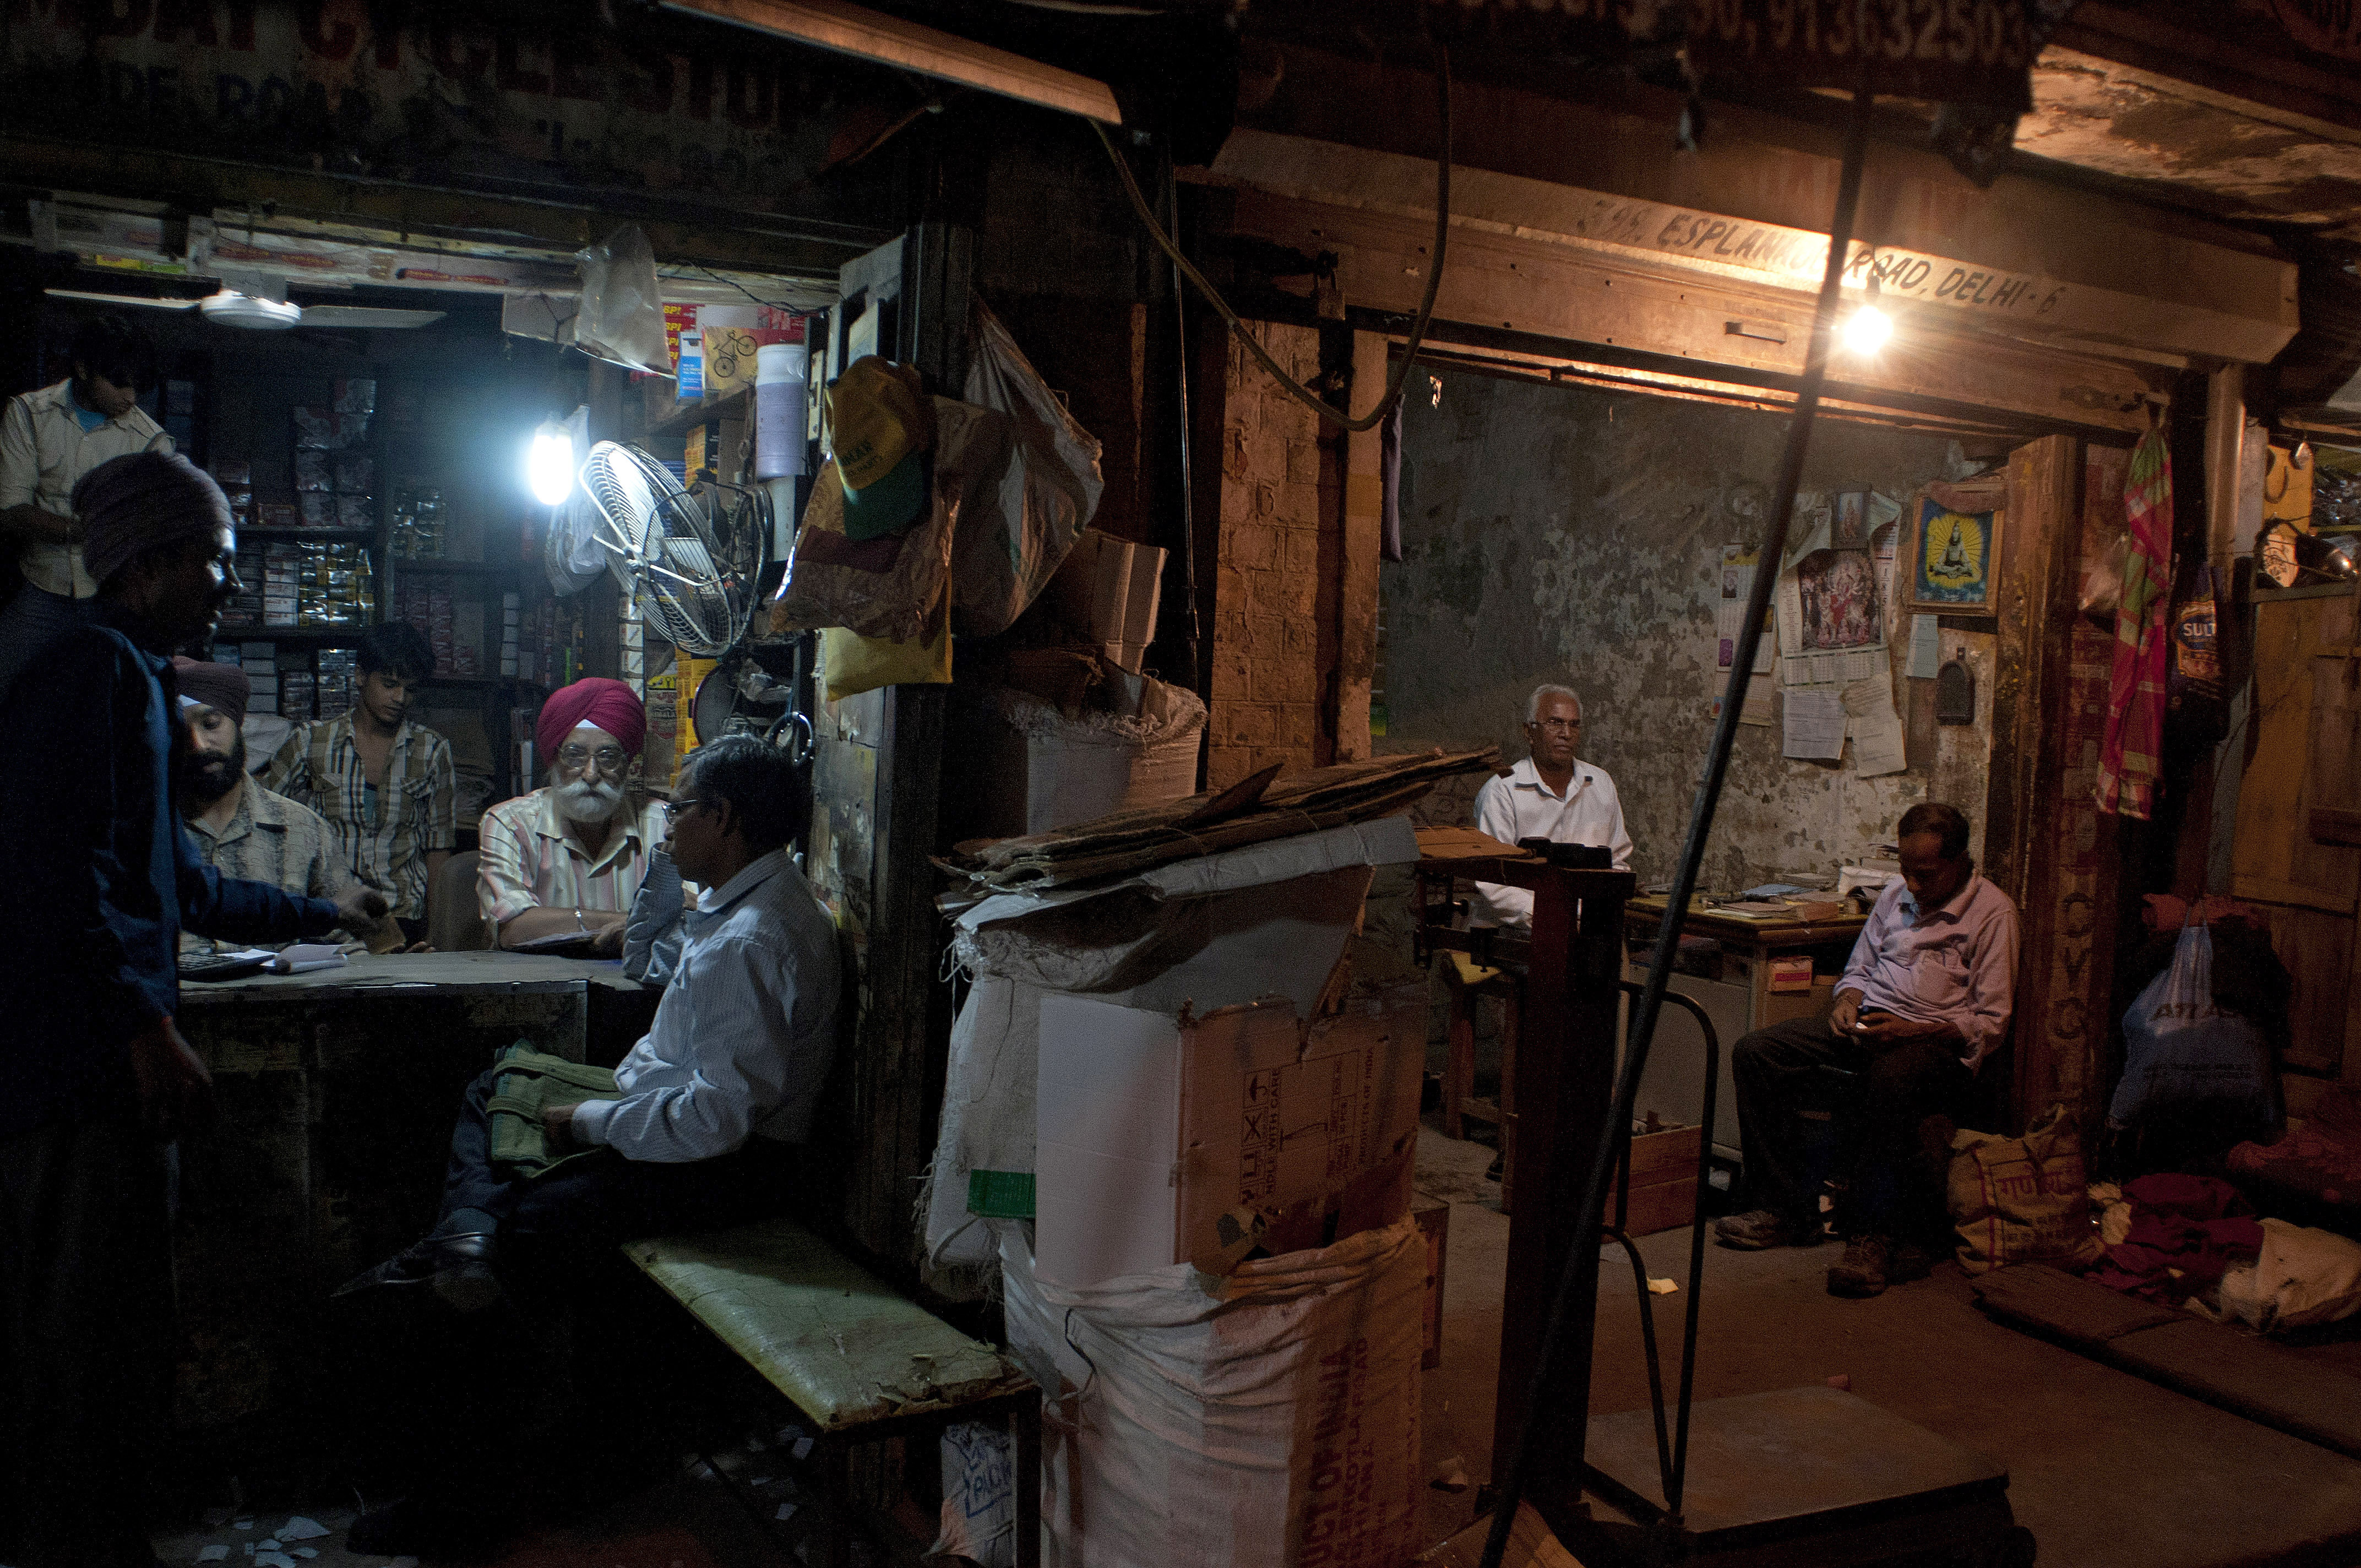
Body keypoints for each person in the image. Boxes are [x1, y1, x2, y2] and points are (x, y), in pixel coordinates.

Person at [0, 453, 388, 1568]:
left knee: (112, 1326)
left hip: (90, 1064)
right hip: (75, 1073)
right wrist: (147, 1025)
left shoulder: (124, 672)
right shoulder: (95, 672)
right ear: (154, 562)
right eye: (216, 563)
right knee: (81, 1334)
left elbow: (186, 884)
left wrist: (324, 909)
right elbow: (55, 873)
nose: (226, 586)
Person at [337, 734, 840, 1553]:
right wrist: (600, 1098)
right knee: (502, 1083)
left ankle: (464, 1496)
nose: (668, 827)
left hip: (736, 1169)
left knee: (530, 1231)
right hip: (692, 1123)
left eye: (679, 811)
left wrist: (592, 1121)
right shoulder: (742, 903)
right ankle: (467, 1233)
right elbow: (680, 1054)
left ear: (723, 820)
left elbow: (716, 1120)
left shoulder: (756, 935)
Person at [1713, 802, 2019, 1299]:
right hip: (1872, 1024)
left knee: (1892, 1078)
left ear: (1961, 863)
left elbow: (1990, 1022)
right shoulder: (1895, 894)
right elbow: (1859, 968)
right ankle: (1787, 1210)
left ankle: (1875, 1237)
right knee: (1758, 1051)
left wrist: (1913, 1030)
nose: (1914, 886)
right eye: (1906, 872)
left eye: (1926, 875)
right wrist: (1848, 1000)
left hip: (1934, 1048)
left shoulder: (1993, 913)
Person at [0, 314, 172, 693]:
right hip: (40, 588)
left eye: (138, 388)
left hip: (112, 598)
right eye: (119, 384)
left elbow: (160, 522)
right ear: (82, 368)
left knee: (111, 703)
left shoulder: (150, 441)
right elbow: (12, 512)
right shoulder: (29, 414)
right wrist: (90, 531)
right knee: (10, 690)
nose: (131, 398)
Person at [265, 622, 456, 941]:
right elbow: (263, 817)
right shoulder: (311, 742)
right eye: (390, 684)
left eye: (410, 690)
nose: (400, 698)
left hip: (403, 917)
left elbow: (438, 851)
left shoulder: (432, 751)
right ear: (360, 677)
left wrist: (435, 934)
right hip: (331, 918)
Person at [476, 677, 668, 954]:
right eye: (575, 755)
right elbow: (513, 927)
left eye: (608, 757)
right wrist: (633, 923)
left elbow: (697, 915)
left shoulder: (663, 824)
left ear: (628, 764)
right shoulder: (510, 822)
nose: (591, 774)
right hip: (542, 991)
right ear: (553, 759)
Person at [172, 657, 348, 951]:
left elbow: (344, 940)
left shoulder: (303, 829)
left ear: (239, 724)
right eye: (179, 731)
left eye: (211, 724)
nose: (198, 744)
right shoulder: (149, 834)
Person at [1470, 683, 1633, 927]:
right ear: (1529, 731)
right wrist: (1556, 918)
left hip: (1588, 926)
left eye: (1574, 725)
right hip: (1518, 932)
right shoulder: (1503, 790)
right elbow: (1493, 882)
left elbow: (1616, 861)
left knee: (1616, 958)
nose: (1566, 734)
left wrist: (1592, 913)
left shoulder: (1600, 783)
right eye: (1555, 723)